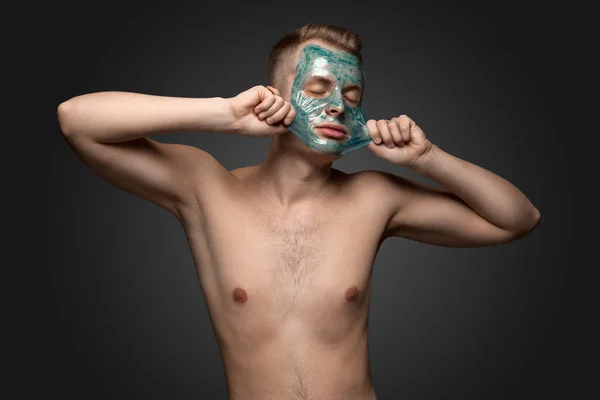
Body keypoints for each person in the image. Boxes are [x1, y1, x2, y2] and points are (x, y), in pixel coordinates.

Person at [57, 23, 540, 400]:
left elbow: (517, 218)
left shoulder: (375, 197)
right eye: (318, 88)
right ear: (273, 95)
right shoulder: (207, 188)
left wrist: (428, 158)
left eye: (352, 97)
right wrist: (221, 115)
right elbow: (77, 120)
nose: (337, 107)